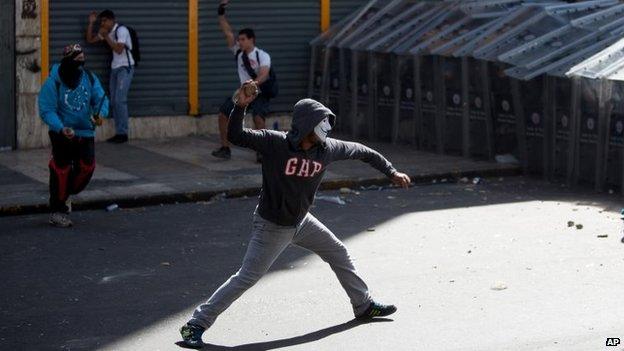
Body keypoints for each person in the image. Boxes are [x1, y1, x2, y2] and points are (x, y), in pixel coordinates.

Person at [180, 81, 411, 348]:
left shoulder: (327, 149)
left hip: (301, 221)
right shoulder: (275, 143)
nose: (325, 129)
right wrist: (240, 105)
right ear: (306, 124)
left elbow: (362, 151)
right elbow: (236, 136)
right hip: (272, 226)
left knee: (338, 252)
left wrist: (391, 171)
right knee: (247, 277)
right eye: (321, 123)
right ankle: (195, 324)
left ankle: (363, 305)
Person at [38, 44, 109, 227]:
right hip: (61, 133)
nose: (80, 65)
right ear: (67, 61)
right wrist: (61, 128)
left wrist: (100, 115)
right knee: (60, 170)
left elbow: (101, 99)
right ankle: (57, 210)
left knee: (87, 167)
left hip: (85, 131)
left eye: (82, 60)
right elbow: (47, 110)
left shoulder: (89, 78)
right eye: (76, 60)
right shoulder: (53, 82)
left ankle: (63, 194)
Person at [211, 0, 273, 163]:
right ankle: (225, 148)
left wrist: (252, 85)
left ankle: (262, 151)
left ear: (251, 40)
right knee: (223, 114)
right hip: (242, 92)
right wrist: (221, 13)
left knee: (258, 119)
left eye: (243, 39)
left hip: (258, 91)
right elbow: (227, 33)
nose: (240, 42)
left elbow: (264, 75)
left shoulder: (262, 55)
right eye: (239, 39)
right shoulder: (238, 52)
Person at [86, 9, 134, 143]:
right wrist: (91, 24)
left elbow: (119, 50)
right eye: (101, 21)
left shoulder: (121, 30)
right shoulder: (107, 32)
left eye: (104, 21)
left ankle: (123, 133)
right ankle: (119, 133)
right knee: (113, 100)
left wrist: (106, 36)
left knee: (120, 100)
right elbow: (90, 40)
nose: (102, 23)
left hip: (125, 68)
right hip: (114, 69)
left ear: (112, 20)